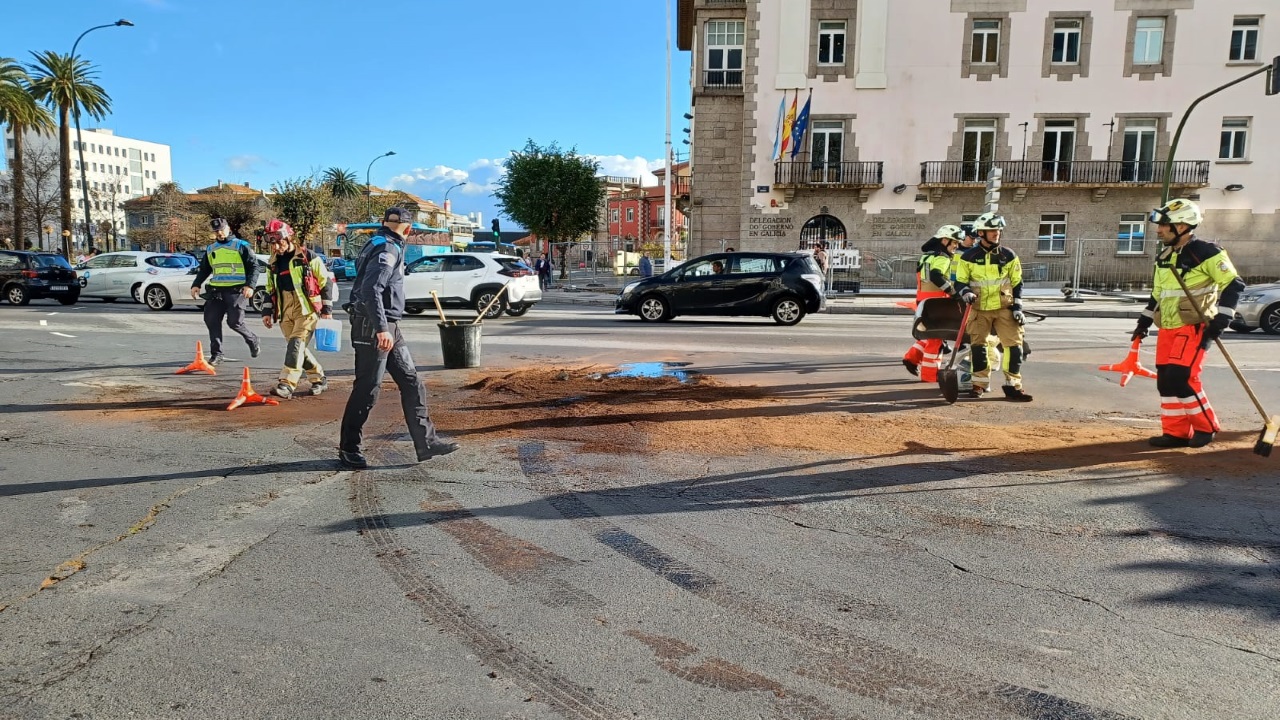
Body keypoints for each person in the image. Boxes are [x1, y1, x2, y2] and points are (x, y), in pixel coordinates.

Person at [339, 207, 458, 469]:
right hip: (374, 325)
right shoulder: (387, 248)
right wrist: (381, 327)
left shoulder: (380, 241)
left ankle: (426, 442)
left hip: (387, 324)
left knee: (412, 381)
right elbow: (371, 289)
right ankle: (349, 448)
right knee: (368, 389)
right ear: (408, 228)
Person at [1132, 198, 1245, 448]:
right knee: (1165, 381)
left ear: (1182, 226)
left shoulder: (1207, 252)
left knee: (1182, 377)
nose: (1159, 229)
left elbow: (1234, 285)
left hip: (1194, 326)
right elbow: (1158, 295)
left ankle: (1207, 427)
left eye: (1164, 224)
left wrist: (1222, 318)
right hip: (1168, 327)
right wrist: (1144, 322)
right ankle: (1176, 433)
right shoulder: (1164, 256)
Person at [954, 212, 1032, 401]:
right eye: (992, 230)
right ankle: (979, 385)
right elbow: (960, 281)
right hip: (979, 309)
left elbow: (1017, 282)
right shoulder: (969, 256)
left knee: (1014, 347)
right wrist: (966, 292)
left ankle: (1013, 386)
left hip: (1005, 308)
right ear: (981, 233)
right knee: (978, 347)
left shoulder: (1008, 255)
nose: (996, 233)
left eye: (998, 230)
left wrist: (1017, 307)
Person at [260, 219, 337, 399]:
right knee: (298, 349)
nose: (276, 246)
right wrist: (267, 312)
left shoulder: (308, 257)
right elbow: (270, 289)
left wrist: (327, 310)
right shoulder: (273, 263)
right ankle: (319, 379)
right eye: (272, 243)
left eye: (279, 241)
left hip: (307, 308)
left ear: (288, 238)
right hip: (285, 309)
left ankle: (286, 385)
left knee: (296, 345)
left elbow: (326, 283)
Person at [190, 217, 260, 365]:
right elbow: (205, 269)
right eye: (216, 231)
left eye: (222, 230)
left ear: (229, 228)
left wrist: (250, 286)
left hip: (236, 291)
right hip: (216, 291)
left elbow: (254, 267)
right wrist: (196, 284)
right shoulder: (211, 248)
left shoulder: (241, 245)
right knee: (211, 320)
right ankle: (217, 354)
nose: (220, 233)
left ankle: (252, 339)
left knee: (234, 322)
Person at [902, 225, 965, 381]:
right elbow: (936, 276)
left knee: (930, 335)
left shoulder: (927, 256)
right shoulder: (942, 258)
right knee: (936, 339)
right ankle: (930, 375)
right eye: (954, 242)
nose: (956, 246)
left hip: (924, 302)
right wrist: (954, 293)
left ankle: (911, 359)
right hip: (937, 304)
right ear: (944, 240)